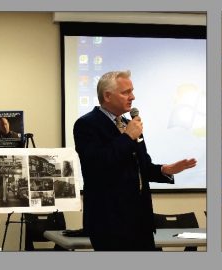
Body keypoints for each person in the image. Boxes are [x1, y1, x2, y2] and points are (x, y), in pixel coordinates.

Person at [73, 70, 198, 251]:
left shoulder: (128, 123)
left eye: (132, 91)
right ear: (107, 96)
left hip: (141, 220)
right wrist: (127, 137)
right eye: (126, 92)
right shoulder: (87, 124)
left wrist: (165, 170)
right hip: (110, 223)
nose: (132, 97)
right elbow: (97, 164)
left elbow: (142, 167)